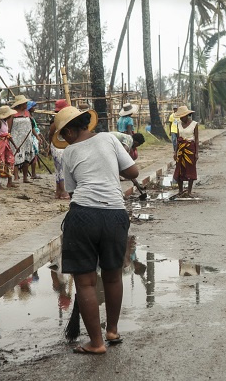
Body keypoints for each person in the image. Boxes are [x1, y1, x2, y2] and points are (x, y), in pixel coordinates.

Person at [53, 106, 139, 355]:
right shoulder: (109, 138)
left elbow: (72, 189)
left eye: (63, 134)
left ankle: (96, 343)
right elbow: (133, 171)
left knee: (86, 283)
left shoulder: (68, 152)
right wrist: (112, 168)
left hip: (83, 216)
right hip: (115, 213)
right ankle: (112, 330)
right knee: (113, 276)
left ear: (70, 130)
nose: (64, 139)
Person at [172, 106, 198, 197]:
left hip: (190, 148)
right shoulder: (178, 124)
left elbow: (197, 139)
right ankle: (180, 190)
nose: (181, 118)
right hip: (180, 148)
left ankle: (189, 191)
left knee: (190, 168)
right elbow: (178, 139)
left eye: (182, 116)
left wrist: (196, 153)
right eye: (180, 117)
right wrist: (175, 152)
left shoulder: (194, 124)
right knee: (179, 169)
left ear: (187, 115)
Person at [10, 95, 36, 183]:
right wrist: (9, 139)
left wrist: (35, 136)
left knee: (27, 158)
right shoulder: (13, 113)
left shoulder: (27, 113)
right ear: (21, 104)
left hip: (27, 139)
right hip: (16, 139)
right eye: (25, 103)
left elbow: (31, 126)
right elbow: (9, 128)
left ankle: (25, 178)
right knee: (16, 157)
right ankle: (16, 177)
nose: (26, 104)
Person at [48, 99, 70, 199]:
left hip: (57, 145)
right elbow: (51, 134)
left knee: (59, 169)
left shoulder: (57, 120)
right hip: (59, 146)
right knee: (62, 169)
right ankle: (64, 192)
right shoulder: (57, 121)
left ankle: (58, 191)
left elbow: (50, 135)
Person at [26, 101, 45, 180]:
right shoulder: (29, 117)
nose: (35, 108)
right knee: (33, 155)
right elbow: (32, 129)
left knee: (32, 155)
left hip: (33, 137)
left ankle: (31, 173)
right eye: (33, 107)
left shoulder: (30, 116)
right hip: (32, 137)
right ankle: (33, 174)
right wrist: (37, 136)